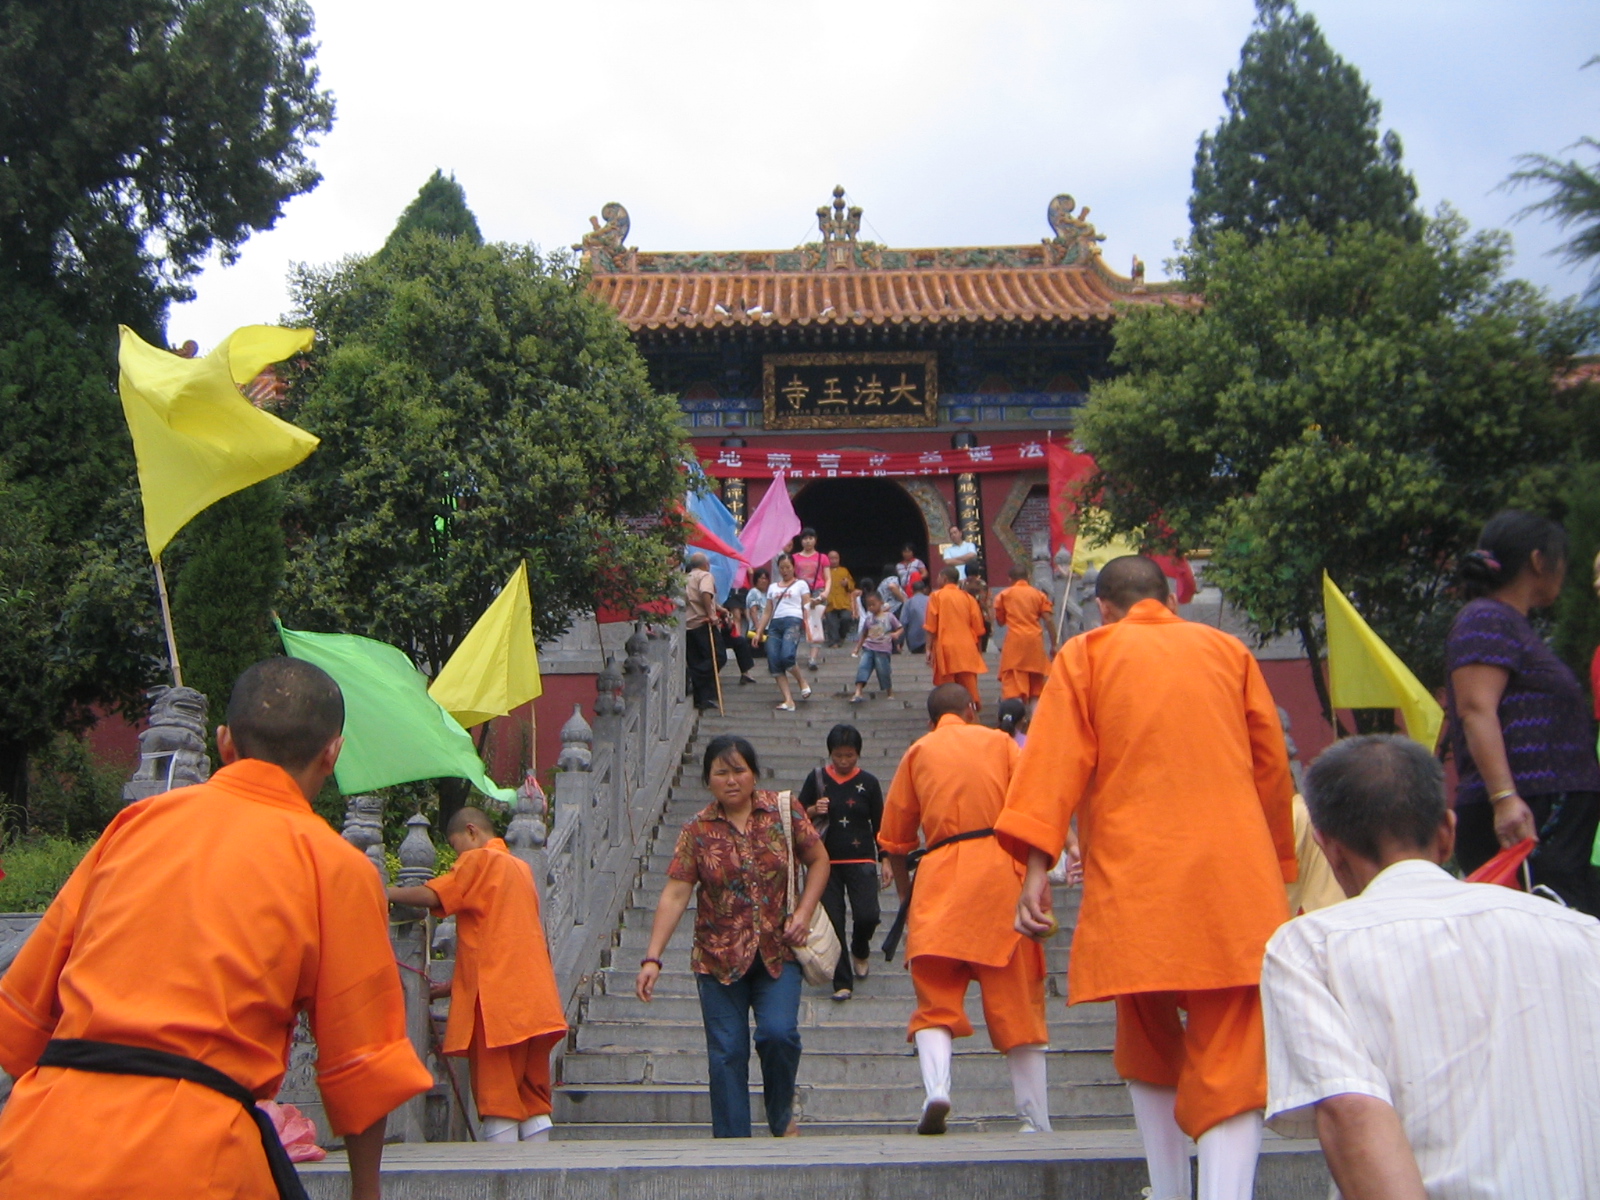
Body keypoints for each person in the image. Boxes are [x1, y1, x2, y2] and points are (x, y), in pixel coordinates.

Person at [0, 658, 433, 1199]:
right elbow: (363, 1068)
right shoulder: (334, 866)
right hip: (193, 1157)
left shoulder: (137, 825)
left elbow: (23, 1013)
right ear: (333, 754)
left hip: (41, 1142)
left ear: (224, 743)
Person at [997, 556, 1295, 1200]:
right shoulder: (1228, 653)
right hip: (1234, 882)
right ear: (1172, 600)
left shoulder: (1086, 656)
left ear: (1102, 607)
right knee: (1233, 1054)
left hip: (1136, 883)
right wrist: (1280, 870)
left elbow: (1052, 767)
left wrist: (1035, 872)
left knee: (1147, 1041)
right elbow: (1271, 769)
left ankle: (1167, 1187)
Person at [1262, 734, 1600, 1198]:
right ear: (1447, 832)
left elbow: (1352, 1113)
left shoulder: (1311, 948)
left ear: (1329, 847)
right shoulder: (1581, 933)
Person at [878, 684, 1051, 1136]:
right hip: (999, 878)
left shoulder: (919, 751)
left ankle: (937, 1089)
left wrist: (905, 899)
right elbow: (1034, 809)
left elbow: (896, 839)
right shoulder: (1000, 742)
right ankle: (1034, 1118)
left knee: (935, 1002)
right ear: (972, 709)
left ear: (931, 719)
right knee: (1018, 1006)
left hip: (937, 879)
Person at [635, 736, 829, 1138]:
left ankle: (779, 1113)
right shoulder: (698, 830)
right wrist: (652, 957)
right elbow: (675, 893)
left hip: (779, 951)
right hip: (718, 958)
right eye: (721, 772)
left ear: (754, 773)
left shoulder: (783, 811)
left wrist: (804, 912)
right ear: (708, 780)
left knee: (779, 1034)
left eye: (739, 770)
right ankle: (732, 1148)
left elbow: (818, 859)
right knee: (727, 1054)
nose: (731, 780)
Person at [1445, 510, 1600, 915]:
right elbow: (1476, 709)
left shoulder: (1510, 624)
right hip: (1527, 816)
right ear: (1538, 560)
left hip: (1548, 813)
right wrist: (1505, 799)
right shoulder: (1485, 618)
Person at [386, 807, 566, 1143]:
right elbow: (500, 936)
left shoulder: (480, 860)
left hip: (497, 1004)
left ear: (472, 832)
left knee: (498, 1099)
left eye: (456, 849)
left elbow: (434, 894)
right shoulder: (521, 868)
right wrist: (453, 987)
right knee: (532, 1099)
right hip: (537, 1001)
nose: (457, 859)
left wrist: (385, 891)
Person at [798, 725, 887, 1001]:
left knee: (868, 914)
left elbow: (880, 824)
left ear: (858, 755)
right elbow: (797, 815)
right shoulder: (817, 779)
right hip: (824, 861)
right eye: (838, 756)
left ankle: (860, 948)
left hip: (861, 859)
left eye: (850, 756)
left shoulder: (869, 783)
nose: (844, 761)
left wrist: (885, 859)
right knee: (834, 921)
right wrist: (813, 810)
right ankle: (841, 981)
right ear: (830, 754)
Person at [753, 554, 814, 712]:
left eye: (788, 567)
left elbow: (807, 605)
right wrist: (759, 631)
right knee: (774, 661)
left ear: (794, 568)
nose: (785, 570)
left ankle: (802, 681)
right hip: (775, 624)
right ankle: (788, 700)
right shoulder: (773, 587)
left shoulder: (801, 584)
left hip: (793, 621)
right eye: (782, 568)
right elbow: (767, 611)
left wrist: (809, 624)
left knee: (787, 655)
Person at [924, 565, 989, 710]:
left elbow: (931, 626)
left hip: (946, 648)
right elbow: (978, 629)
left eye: (939, 577)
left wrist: (928, 649)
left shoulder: (936, 596)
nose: (936, 579)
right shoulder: (968, 598)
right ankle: (972, 719)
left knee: (948, 692)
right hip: (967, 648)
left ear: (945, 578)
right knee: (970, 693)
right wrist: (978, 651)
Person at [994, 562, 1055, 704]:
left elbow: (1000, 621)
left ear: (1010, 579)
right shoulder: (1039, 595)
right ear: (1028, 577)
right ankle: (1035, 721)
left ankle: (1016, 720)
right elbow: (1049, 620)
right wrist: (1054, 643)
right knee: (1036, 690)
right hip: (1035, 643)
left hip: (1015, 644)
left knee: (1014, 688)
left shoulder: (1004, 595)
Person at [683, 553, 726, 711]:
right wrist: (711, 615)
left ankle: (701, 699)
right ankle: (691, 675)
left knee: (697, 659)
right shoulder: (705, 575)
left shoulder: (686, 577)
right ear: (706, 564)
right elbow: (705, 593)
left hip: (688, 624)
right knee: (718, 657)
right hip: (703, 623)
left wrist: (719, 608)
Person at [850, 591, 903, 702]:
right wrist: (857, 648)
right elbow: (864, 635)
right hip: (868, 647)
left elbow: (900, 627)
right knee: (863, 667)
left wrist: (896, 634)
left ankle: (889, 691)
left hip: (883, 649)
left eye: (873, 604)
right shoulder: (868, 620)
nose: (871, 607)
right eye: (869, 605)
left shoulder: (889, 616)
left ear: (881, 603)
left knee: (883, 670)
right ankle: (858, 691)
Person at [721, 591, 758, 685]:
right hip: (708, 631)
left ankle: (745, 673)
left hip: (721, 631)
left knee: (740, 641)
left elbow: (727, 627)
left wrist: (727, 620)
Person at [823, 550, 856, 648]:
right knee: (832, 624)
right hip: (830, 601)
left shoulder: (844, 570)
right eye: (831, 558)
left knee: (846, 618)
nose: (833, 561)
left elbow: (852, 586)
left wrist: (847, 583)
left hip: (843, 602)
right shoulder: (824, 571)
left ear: (839, 559)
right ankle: (833, 642)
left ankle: (841, 636)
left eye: (835, 558)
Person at [790, 527, 829, 593]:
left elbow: (828, 578)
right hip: (799, 591)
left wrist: (826, 592)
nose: (808, 541)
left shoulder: (822, 557)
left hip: (818, 591)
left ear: (815, 540)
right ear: (801, 541)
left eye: (811, 538)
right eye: (805, 538)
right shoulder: (794, 557)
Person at [902, 577, 932, 654]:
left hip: (915, 640)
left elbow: (903, 622)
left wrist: (900, 642)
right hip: (931, 637)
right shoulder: (931, 600)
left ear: (912, 590)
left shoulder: (908, 603)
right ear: (924, 590)